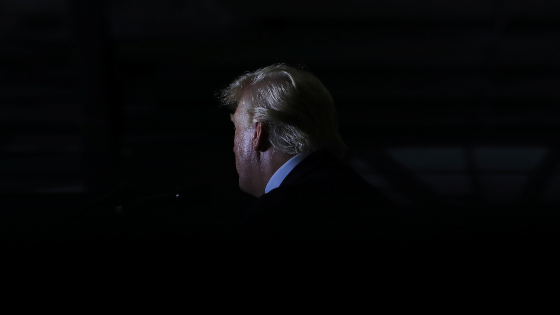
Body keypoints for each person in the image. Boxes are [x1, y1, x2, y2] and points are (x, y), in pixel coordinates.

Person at [218, 64, 395, 278]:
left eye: (236, 129)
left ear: (258, 133)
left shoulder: (277, 215)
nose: (234, 146)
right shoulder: (368, 198)